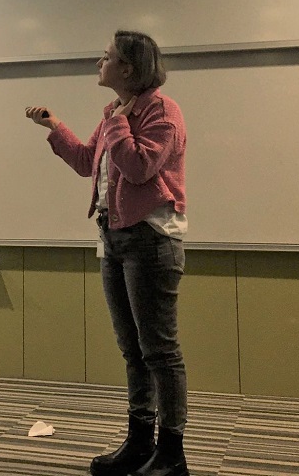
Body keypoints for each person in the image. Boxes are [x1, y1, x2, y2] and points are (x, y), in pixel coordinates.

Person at [25, 30, 189, 476]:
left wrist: (118, 122)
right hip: (114, 237)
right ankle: (139, 442)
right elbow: (87, 162)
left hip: (151, 240)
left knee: (160, 351)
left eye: (107, 57)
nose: (99, 63)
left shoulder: (162, 112)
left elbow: (138, 167)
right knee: (132, 349)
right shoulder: (115, 112)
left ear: (128, 69)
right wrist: (56, 126)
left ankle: (171, 453)